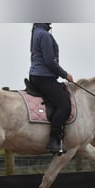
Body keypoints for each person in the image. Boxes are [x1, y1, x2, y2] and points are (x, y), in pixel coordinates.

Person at [28, 23, 74, 153]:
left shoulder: (37, 31)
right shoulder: (44, 35)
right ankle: (54, 140)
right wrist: (65, 75)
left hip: (37, 75)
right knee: (64, 105)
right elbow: (49, 61)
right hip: (44, 77)